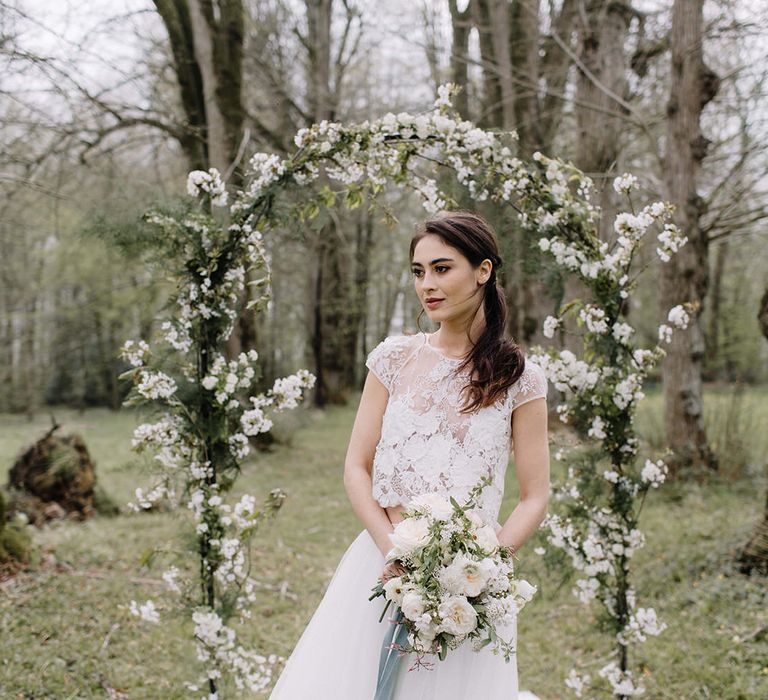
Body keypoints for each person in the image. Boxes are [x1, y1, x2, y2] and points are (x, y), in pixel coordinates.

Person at [268, 210, 550, 699]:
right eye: (419, 272)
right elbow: (356, 467)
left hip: (469, 586)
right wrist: (391, 550)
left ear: (483, 271)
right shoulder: (393, 359)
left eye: (442, 269)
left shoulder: (520, 378)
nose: (427, 285)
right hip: (382, 567)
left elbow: (535, 495)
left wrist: (481, 570)